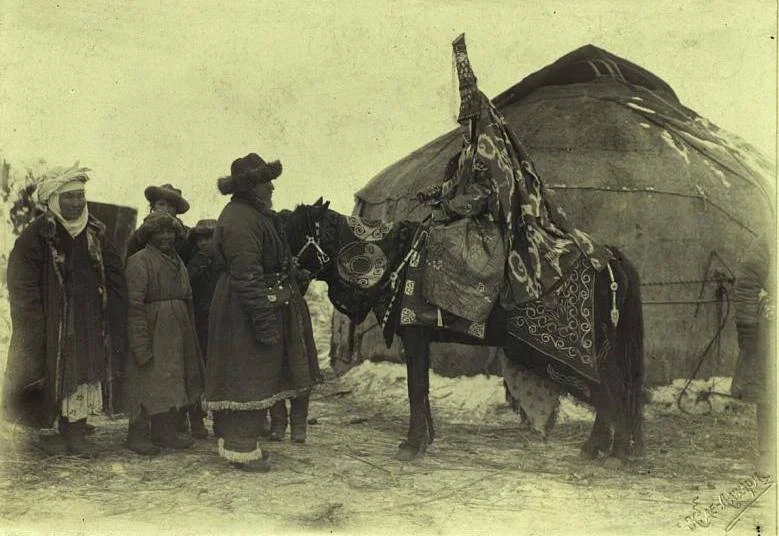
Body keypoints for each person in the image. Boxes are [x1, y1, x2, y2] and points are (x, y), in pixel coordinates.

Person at [204, 152, 320, 472]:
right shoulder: (241, 219)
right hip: (242, 308)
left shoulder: (255, 215)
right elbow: (246, 274)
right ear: (250, 187)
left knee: (250, 371)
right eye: (266, 182)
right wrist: (263, 320)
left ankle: (237, 443)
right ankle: (242, 447)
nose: (272, 188)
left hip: (247, 304)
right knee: (247, 373)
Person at [2, 163, 127, 458]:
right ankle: (58, 429)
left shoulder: (95, 233)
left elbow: (113, 273)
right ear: (54, 200)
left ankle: (76, 427)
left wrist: (115, 311)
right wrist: (34, 321)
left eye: (81, 196)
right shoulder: (38, 235)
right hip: (56, 319)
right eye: (69, 197)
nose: (76, 203)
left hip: (88, 317)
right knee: (56, 369)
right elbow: (21, 283)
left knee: (85, 369)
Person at [124, 211, 205, 452]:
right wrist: (140, 342)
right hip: (153, 328)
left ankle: (164, 432)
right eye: (160, 232)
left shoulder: (177, 260)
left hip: (177, 329)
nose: (166, 236)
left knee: (172, 379)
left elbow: (186, 295)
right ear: (149, 235)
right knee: (147, 378)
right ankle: (137, 434)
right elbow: (134, 305)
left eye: (170, 231)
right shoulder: (139, 261)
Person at [732, 231, 776, 475]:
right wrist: (748, 326)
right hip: (774, 327)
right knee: (770, 392)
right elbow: (747, 282)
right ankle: (769, 453)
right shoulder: (769, 239)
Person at [183, 219, 220, 439]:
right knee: (197, 371)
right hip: (199, 323)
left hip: (222, 323)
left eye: (209, 238)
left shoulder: (225, 260)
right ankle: (196, 420)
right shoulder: (193, 261)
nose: (204, 243)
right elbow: (186, 282)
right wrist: (199, 265)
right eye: (200, 239)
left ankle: (222, 421)